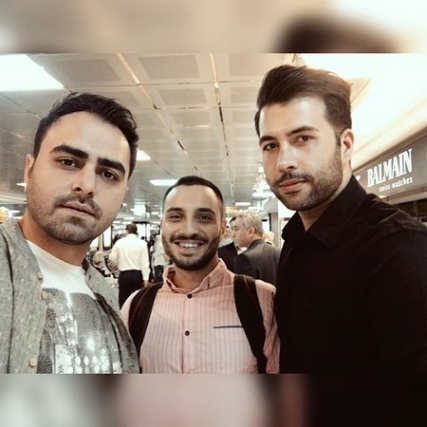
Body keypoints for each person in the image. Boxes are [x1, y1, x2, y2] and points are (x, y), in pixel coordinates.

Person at [255, 64, 427, 425]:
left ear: (345, 144)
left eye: (303, 138)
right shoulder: (294, 242)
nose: (284, 161)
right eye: (271, 145)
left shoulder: (400, 249)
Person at [0, 92, 140, 373]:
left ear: (123, 193)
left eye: (108, 174)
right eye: (68, 162)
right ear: (29, 170)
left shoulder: (104, 295)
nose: (86, 186)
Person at [121, 175, 279, 373]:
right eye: (175, 217)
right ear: (162, 226)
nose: (189, 230)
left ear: (222, 229)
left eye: (204, 217)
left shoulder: (261, 300)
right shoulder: (136, 307)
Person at [233, 210, 280, 285]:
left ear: (250, 231)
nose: (233, 234)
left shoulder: (244, 259)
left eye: (236, 229)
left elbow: (244, 291)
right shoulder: (279, 252)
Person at [108, 222, 150, 307]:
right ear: (136, 231)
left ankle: (124, 314)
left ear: (126, 231)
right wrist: (146, 278)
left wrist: (116, 270)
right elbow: (145, 262)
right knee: (138, 299)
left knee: (123, 299)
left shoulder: (120, 242)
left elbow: (112, 258)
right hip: (138, 275)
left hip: (124, 274)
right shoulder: (142, 243)